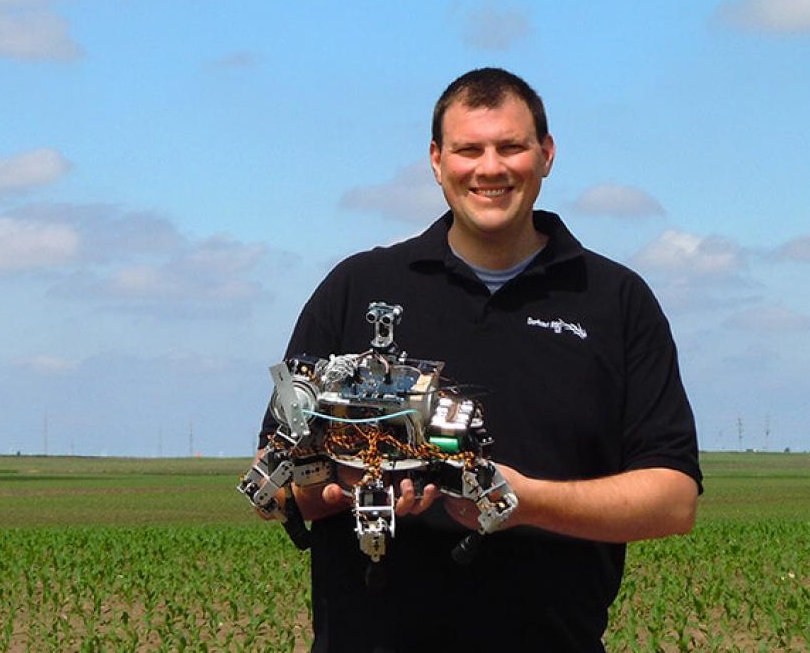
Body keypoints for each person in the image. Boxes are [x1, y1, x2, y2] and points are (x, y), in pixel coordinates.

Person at [257, 67, 702, 653]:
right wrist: (336, 486)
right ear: (437, 161)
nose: (489, 168)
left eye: (511, 147)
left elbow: (672, 499)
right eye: (469, 149)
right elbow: (275, 475)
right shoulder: (356, 287)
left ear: (546, 154)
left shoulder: (615, 300)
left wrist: (520, 500)